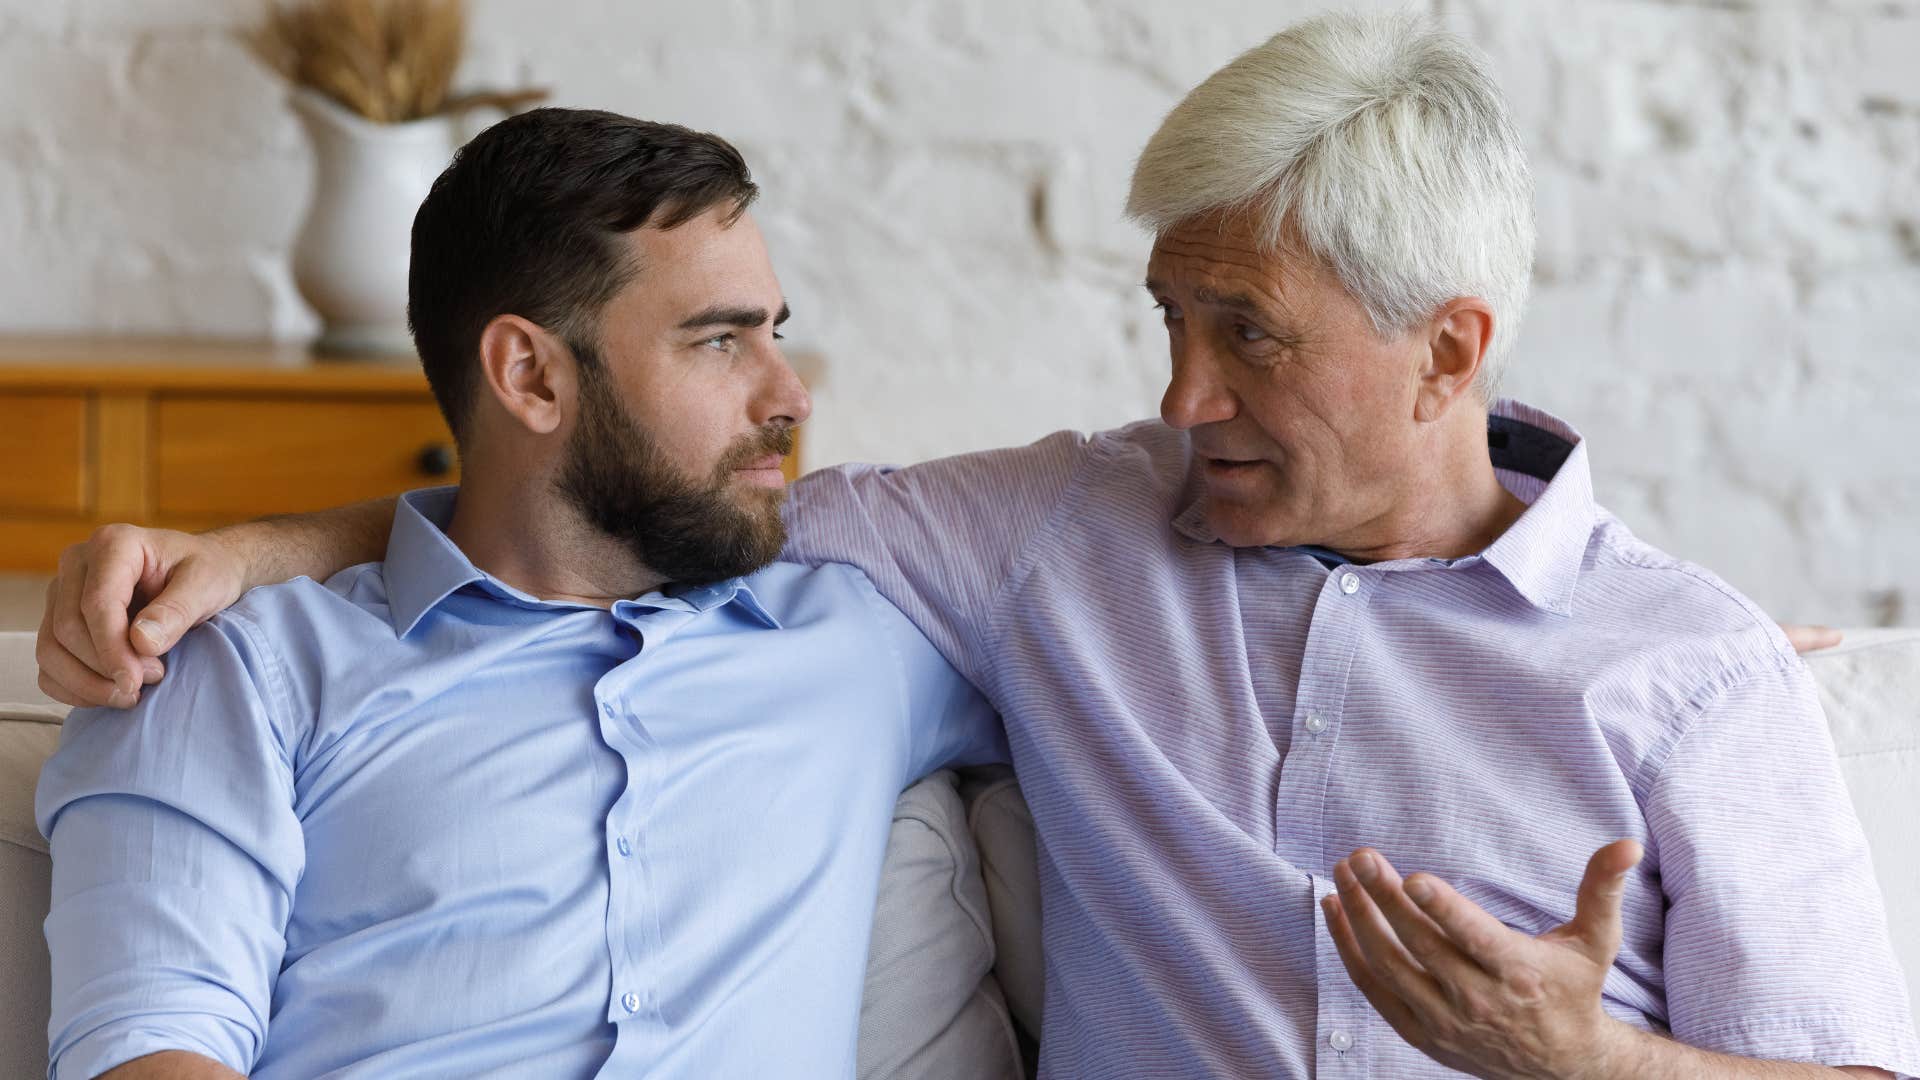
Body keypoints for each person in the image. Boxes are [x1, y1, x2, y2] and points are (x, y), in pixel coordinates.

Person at [38, 11, 1916, 1079]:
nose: (1180, 398)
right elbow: (607, 521)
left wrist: (1604, 1069)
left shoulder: (1686, 668)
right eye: (1167, 322)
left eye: (1246, 334)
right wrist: (269, 545)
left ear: (1450, 350)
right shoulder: (1057, 541)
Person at [33, 111, 1005, 1079]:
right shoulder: (234, 667)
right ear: (530, 374)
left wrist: (262, 544)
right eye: (718, 342)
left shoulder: (863, 640)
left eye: (774, 334)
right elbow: (151, 1041)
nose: (789, 394)